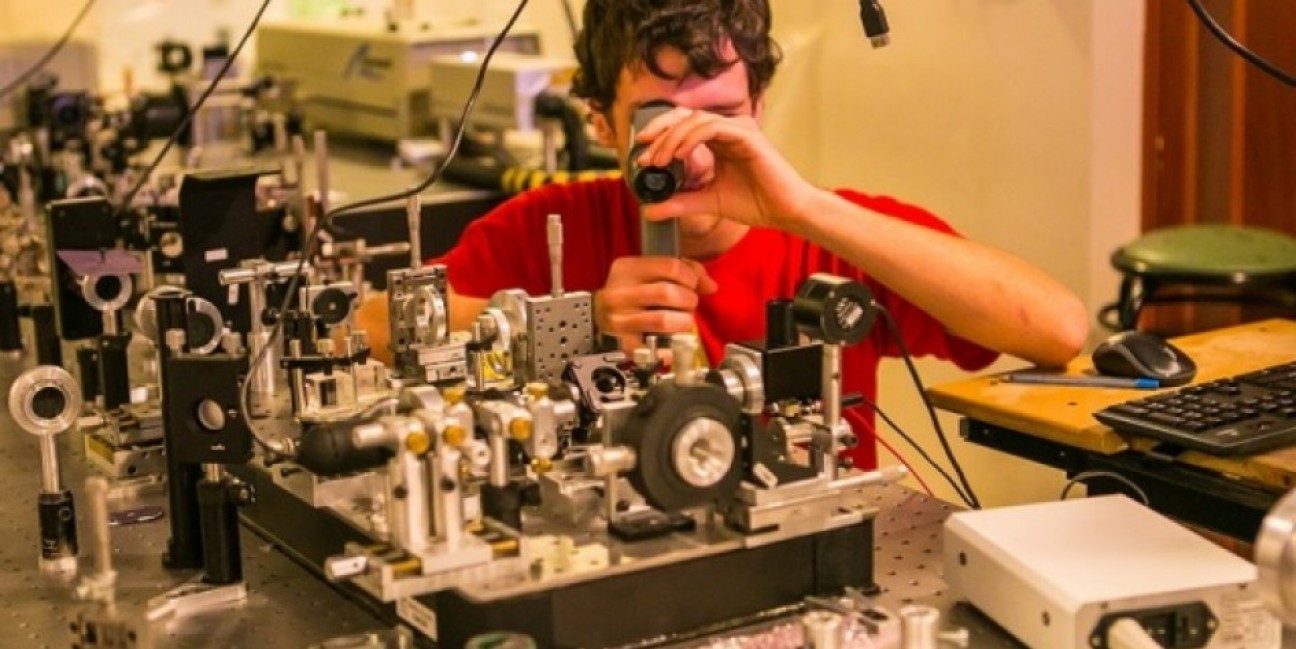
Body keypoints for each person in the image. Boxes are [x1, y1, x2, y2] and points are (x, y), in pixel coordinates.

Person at [358, 0, 1088, 470]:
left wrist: (802, 207)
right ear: (603, 122)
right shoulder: (547, 226)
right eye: (657, 122)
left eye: (721, 117)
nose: (693, 155)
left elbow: (1057, 328)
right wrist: (578, 319)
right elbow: (362, 331)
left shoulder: (831, 230)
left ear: (760, 105)